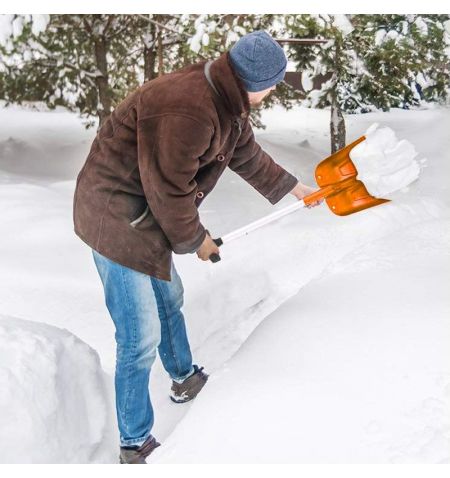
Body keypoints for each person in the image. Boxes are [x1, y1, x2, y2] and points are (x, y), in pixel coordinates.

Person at [73, 29, 319, 464]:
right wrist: (197, 241)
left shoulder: (225, 98)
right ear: (258, 81)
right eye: (275, 83)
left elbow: (244, 153)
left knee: (170, 297)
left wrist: (295, 189)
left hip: (145, 212)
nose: (275, 90)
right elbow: (170, 190)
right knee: (138, 335)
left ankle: (183, 376)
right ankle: (134, 442)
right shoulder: (189, 109)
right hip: (114, 216)